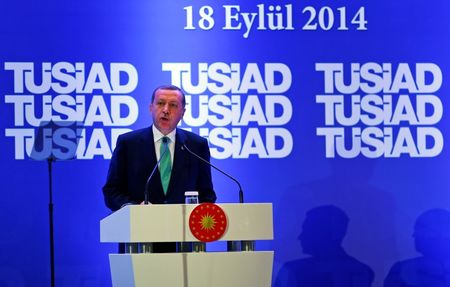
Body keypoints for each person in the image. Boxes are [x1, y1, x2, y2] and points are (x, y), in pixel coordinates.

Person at [102, 84, 216, 211]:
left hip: (183, 227)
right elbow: (112, 191)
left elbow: (207, 195)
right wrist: (134, 208)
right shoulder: (128, 143)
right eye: (160, 103)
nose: (166, 110)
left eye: (173, 105)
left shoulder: (196, 146)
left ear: (183, 112)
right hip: (140, 226)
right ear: (151, 108)